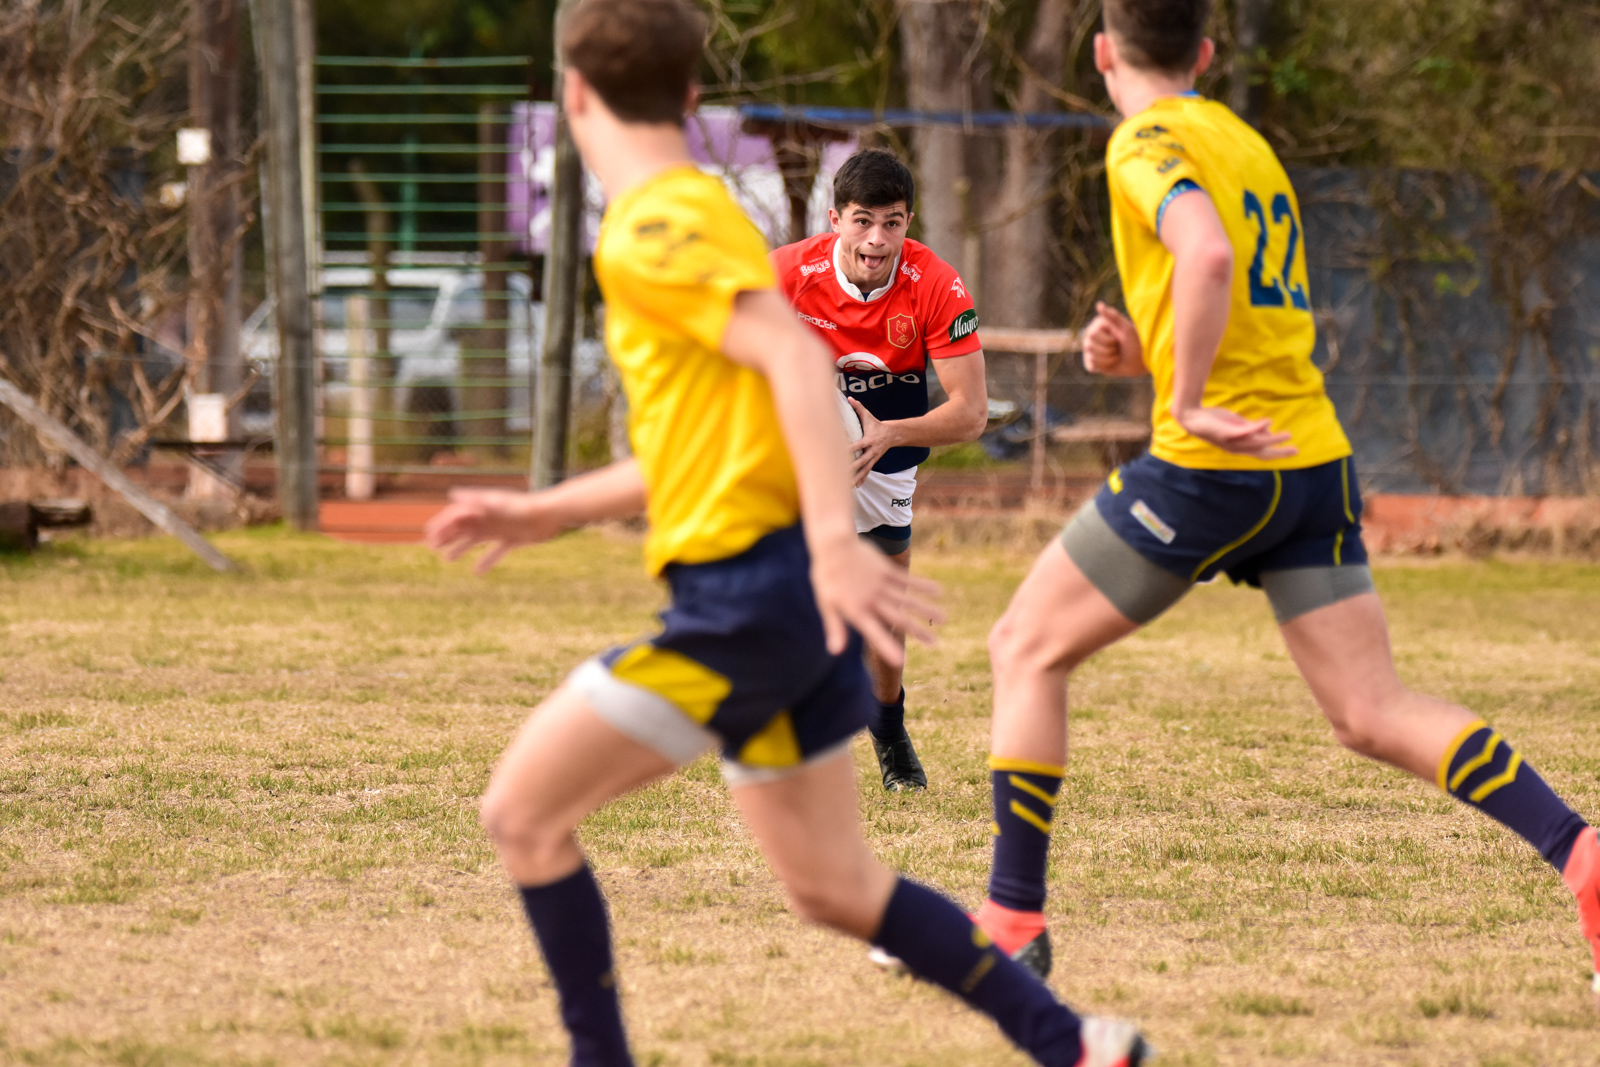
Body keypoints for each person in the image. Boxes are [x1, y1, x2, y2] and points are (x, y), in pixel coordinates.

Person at [423, 1, 1151, 1063]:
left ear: (574, 96)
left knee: (522, 815)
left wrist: (823, 547)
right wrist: (538, 511)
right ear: (688, 98)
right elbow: (703, 443)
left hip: (747, 600)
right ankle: (1071, 1042)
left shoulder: (651, 227)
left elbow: (799, 373)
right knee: (834, 886)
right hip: (775, 597)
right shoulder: (708, 219)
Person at [973, 0, 1600, 995]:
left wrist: (1180, 399)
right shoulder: (1244, 143)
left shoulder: (1144, 140)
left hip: (1211, 468)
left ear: (1100, 52)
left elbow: (1208, 256)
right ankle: (1580, 853)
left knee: (1022, 645)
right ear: (1207, 53)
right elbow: (1250, 301)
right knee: (1369, 709)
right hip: (1308, 461)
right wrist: (1137, 352)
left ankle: (1009, 923)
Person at [771, 149, 989, 792]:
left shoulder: (936, 285)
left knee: (884, 618)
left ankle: (889, 729)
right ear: (834, 218)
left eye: (892, 223)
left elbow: (971, 414)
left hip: (887, 454)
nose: (876, 239)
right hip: (798, 445)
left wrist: (886, 434)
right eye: (862, 220)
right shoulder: (785, 273)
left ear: (909, 221)